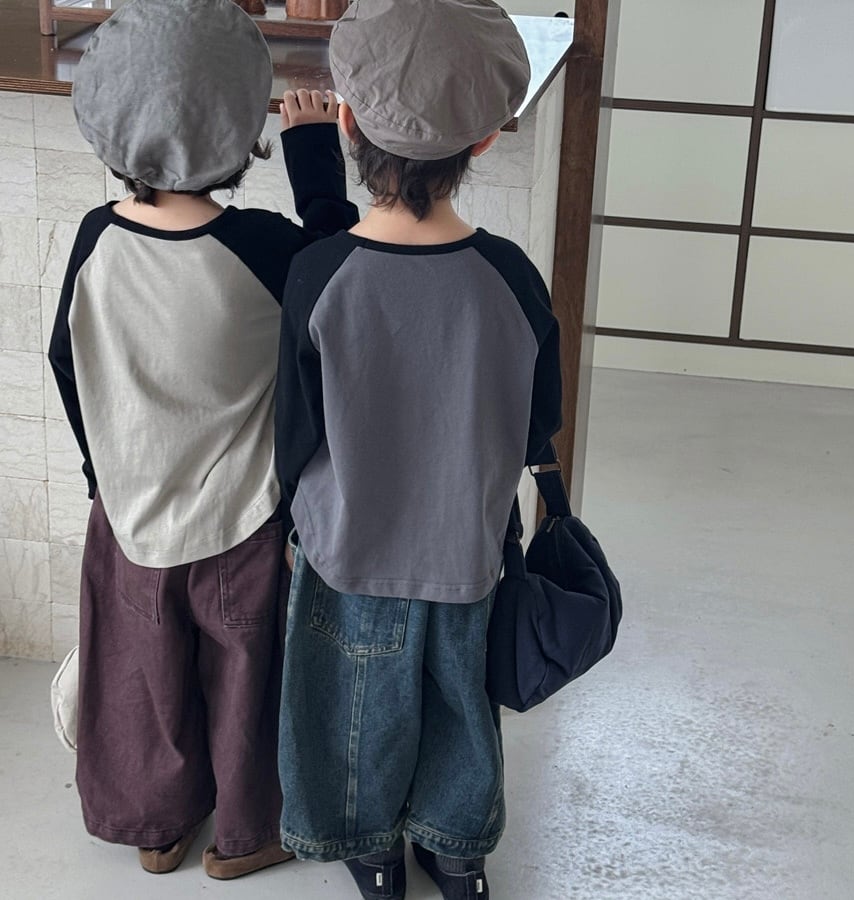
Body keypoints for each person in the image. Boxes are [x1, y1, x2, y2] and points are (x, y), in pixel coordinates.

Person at [48, 0, 357, 880]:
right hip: (241, 521)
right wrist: (313, 155)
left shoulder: (96, 238)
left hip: (130, 515)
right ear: (239, 127)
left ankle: (156, 826)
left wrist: (101, 471)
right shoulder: (266, 249)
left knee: (143, 678)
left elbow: (66, 359)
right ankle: (245, 834)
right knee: (244, 680)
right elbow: (341, 280)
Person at [273, 1, 563, 897]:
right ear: (484, 139)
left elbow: (296, 429)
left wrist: (294, 525)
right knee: (461, 705)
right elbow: (537, 421)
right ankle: (458, 853)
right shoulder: (511, 276)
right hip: (466, 548)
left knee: (354, 716)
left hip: (349, 550)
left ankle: (373, 855)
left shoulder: (320, 272)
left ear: (347, 122)